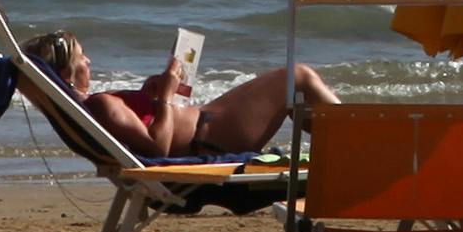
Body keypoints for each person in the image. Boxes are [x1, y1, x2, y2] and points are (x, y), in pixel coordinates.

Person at [20, 29, 329, 163]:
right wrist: (166, 95)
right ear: (65, 75)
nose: (89, 62)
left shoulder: (93, 107)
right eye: (82, 58)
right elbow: (157, 148)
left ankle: (344, 144)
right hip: (210, 136)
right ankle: (353, 144)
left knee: (294, 83)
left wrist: (148, 96)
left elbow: (141, 132)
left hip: (207, 125)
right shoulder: (99, 105)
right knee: (297, 76)